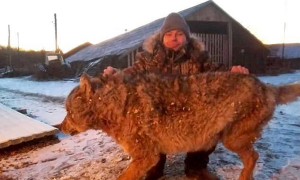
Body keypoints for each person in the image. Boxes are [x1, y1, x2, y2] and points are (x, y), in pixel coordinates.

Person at [104, 12, 249, 180]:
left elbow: (217, 72)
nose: (174, 38)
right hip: (159, 111)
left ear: (186, 38)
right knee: (148, 130)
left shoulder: (198, 58)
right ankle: (154, 167)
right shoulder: (148, 60)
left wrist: (233, 72)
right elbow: (129, 75)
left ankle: (196, 168)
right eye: (170, 34)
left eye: (179, 34)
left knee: (209, 125)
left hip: (191, 109)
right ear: (162, 37)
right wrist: (114, 73)